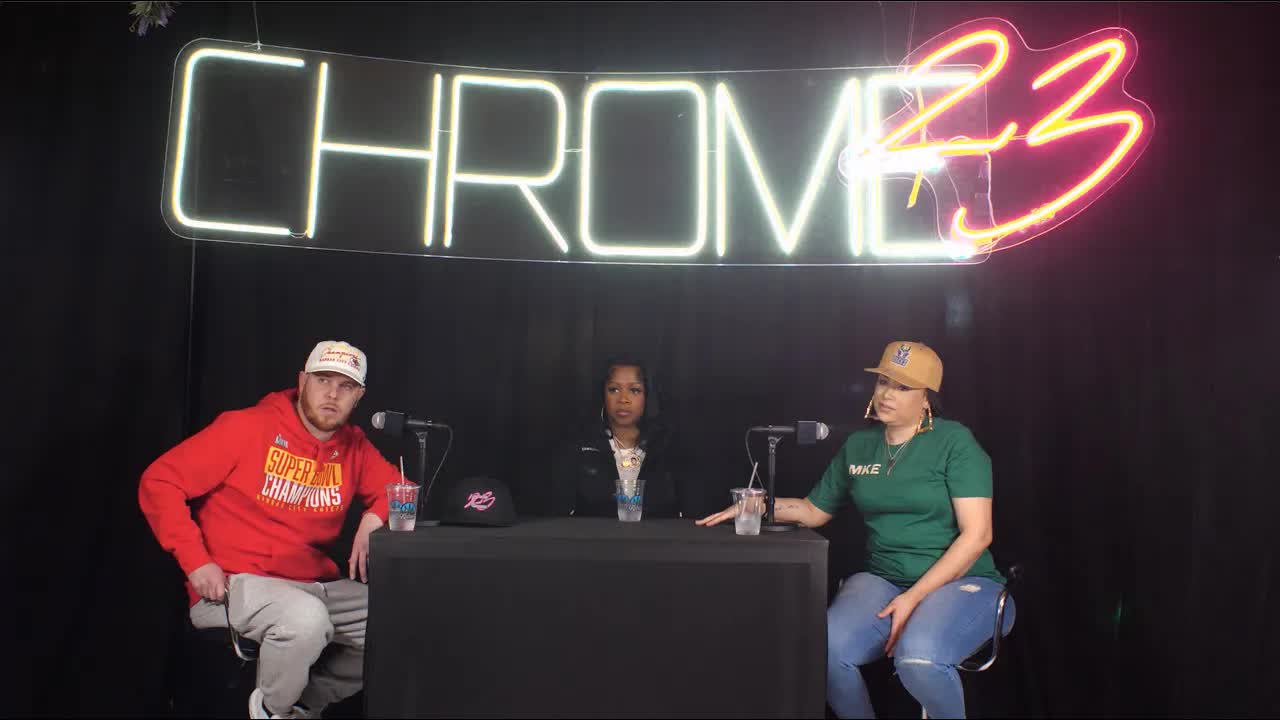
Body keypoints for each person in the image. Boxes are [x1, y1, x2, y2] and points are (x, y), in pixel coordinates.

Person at [698, 341, 1014, 719]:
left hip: (965, 584)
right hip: (885, 580)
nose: (887, 394)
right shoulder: (859, 445)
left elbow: (978, 535)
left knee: (919, 659)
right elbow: (814, 511)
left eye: (902, 387)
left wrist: (913, 598)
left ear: (926, 398)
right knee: (824, 650)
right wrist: (758, 505)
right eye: (883, 382)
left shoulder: (954, 442)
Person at [140, 340, 403, 720]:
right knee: (306, 618)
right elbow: (160, 482)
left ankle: (301, 706)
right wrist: (195, 561)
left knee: (400, 614)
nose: (332, 394)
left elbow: (401, 492)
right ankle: (271, 712)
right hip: (234, 584)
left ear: (358, 396)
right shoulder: (246, 427)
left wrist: (374, 516)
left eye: (345, 386)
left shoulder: (354, 447)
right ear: (303, 381)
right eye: (323, 380)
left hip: (313, 586)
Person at [541, 358, 701, 519]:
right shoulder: (578, 445)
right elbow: (557, 512)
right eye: (614, 389)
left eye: (634, 390)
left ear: (647, 396)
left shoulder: (670, 446)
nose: (623, 399)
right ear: (603, 395)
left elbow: (693, 510)